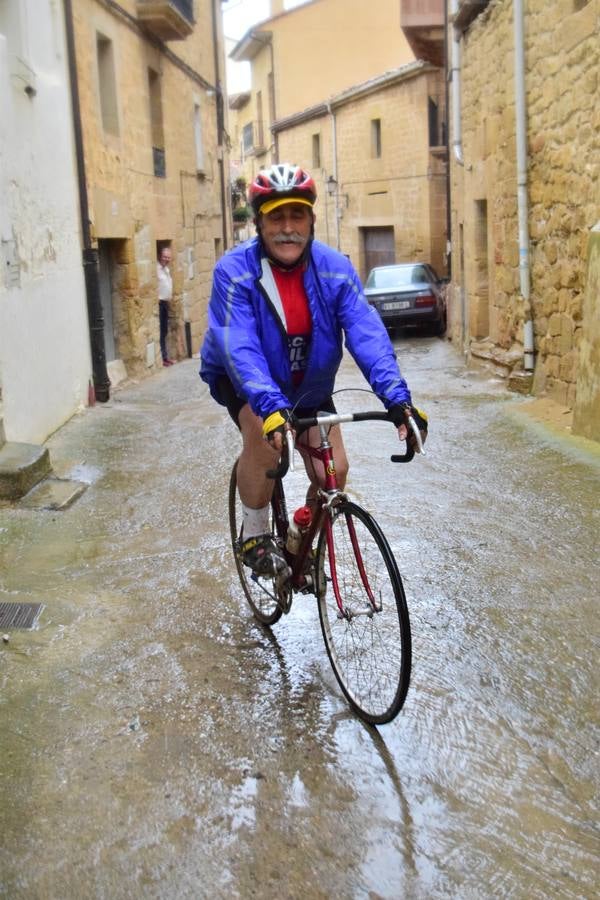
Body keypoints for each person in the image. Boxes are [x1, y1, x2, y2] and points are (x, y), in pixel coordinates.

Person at [200, 163, 427, 575]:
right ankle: (253, 534)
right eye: (276, 217)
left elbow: (365, 330)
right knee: (263, 437)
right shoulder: (234, 272)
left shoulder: (334, 268)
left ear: (311, 220)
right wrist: (269, 406)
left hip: (310, 381)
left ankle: (300, 539)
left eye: (297, 215)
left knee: (334, 470)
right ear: (259, 223)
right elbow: (241, 345)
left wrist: (397, 399)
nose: (288, 227)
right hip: (246, 380)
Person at [157, 246, 174, 367]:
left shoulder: (166, 269)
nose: (166, 259)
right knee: (161, 331)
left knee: (164, 331)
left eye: (168, 257)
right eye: (164, 257)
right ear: (159, 256)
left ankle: (165, 357)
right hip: (159, 303)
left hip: (165, 304)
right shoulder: (156, 269)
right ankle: (163, 358)